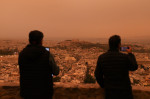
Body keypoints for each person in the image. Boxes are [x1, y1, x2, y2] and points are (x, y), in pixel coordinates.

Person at [18, 30, 59, 99]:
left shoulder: (22, 54)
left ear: (29, 40)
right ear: (41, 40)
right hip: (44, 92)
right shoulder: (47, 54)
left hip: (27, 92)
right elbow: (56, 72)